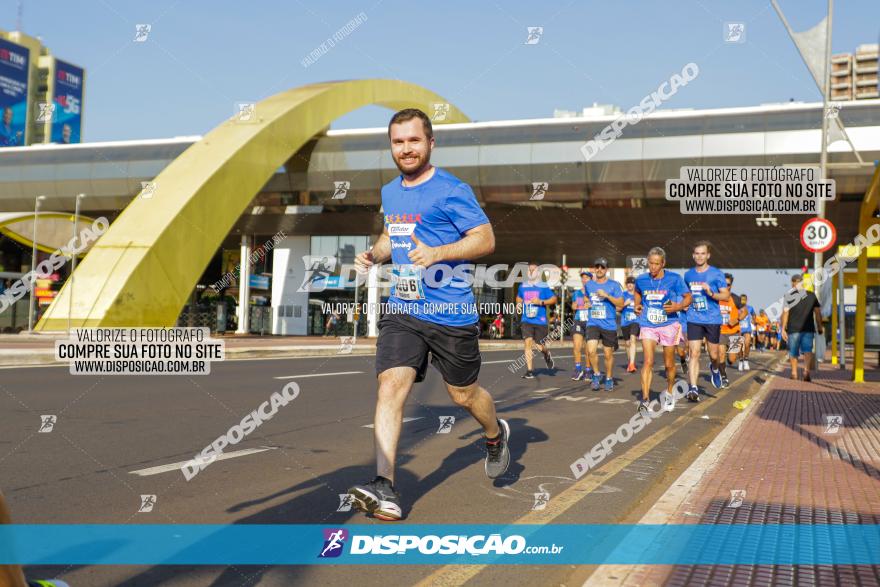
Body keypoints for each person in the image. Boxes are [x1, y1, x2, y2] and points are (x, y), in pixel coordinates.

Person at [347, 109, 510, 521]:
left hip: (451, 314)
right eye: (398, 142)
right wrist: (375, 254)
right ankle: (384, 485)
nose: (406, 149)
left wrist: (438, 252)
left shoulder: (452, 189)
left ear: (430, 143)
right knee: (390, 386)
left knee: (464, 395)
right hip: (404, 307)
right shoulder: (390, 191)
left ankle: (495, 435)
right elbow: (392, 235)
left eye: (413, 141)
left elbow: (486, 239)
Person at [633, 247, 691, 413]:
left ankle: (670, 392)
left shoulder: (674, 279)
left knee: (669, 364)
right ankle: (645, 399)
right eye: (650, 263)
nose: (653, 267)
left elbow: (688, 297)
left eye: (656, 264)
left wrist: (677, 306)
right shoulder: (642, 279)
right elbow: (637, 292)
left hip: (669, 323)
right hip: (648, 323)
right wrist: (637, 305)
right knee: (648, 361)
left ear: (663, 263)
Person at [683, 241, 729, 401]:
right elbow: (687, 295)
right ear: (693, 255)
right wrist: (682, 305)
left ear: (708, 255)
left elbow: (726, 295)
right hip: (694, 317)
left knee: (714, 354)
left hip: (712, 318)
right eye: (697, 253)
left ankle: (714, 369)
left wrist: (711, 294)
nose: (700, 256)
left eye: (703, 253)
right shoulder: (688, 275)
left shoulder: (716, 274)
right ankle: (693, 388)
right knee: (693, 353)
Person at [584, 258, 624, 391]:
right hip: (593, 322)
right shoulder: (589, 285)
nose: (599, 269)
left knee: (608, 354)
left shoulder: (614, 285)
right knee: (591, 351)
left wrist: (607, 296)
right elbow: (586, 298)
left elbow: (621, 303)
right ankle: (596, 374)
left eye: (602, 267)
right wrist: (587, 303)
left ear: (606, 270)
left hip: (608, 324)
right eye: (597, 267)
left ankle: (608, 378)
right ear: (594, 269)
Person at [516, 261, 556, 379]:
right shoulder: (522, 286)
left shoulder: (543, 286)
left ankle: (547, 353)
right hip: (526, 319)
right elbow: (519, 297)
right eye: (529, 270)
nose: (531, 271)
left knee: (539, 346)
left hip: (540, 320)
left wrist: (541, 302)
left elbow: (553, 299)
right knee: (528, 343)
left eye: (534, 270)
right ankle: (529, 371)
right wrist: (518, 304)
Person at [781, 274, 823, 381]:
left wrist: (782, 329)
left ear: (793, 283)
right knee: (807, 351)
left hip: (793, 329)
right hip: (808, 329)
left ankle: (794, 373)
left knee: (793, 352)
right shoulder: (812, 295)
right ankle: (806, 371)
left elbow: (785, 313)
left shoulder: (789, 296)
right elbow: (818, 313)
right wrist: (819, 327)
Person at [570, 270, 592, 380]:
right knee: (577, 346)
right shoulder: (577, 293)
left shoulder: (594, 293)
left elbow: (592, 305)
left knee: (588, 349)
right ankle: (578, 369)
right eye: (583, 278)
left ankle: (588, 370)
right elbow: (574, 306)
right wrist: (584, 304)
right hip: (579, 320)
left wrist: (585, 303)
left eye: (586, 278)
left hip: (590, 322)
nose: (584, 280)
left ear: (591, 280)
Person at [718, 295, 740, 388]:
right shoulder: (716, 297)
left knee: (732, 359)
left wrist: (736, 320)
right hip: (720, 331)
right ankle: (723, 376)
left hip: (734, 332)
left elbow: (745, 312)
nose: (726, 286)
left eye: (728, 284)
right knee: (721, 354)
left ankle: (728, 360)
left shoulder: (735, 298)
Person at [621, 276, 640, 373]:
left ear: (634, 285)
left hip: (635, 321)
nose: (629, 285)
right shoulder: (623, 295)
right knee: (627, 344)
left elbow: (643, 307)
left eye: (631, 283)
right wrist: (625, 304)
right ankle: (630, 362)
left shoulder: (638, 296)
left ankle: (632, 364)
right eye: (628, 283)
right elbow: (617, 308)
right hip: (625, 322)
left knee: (633, 339)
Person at [738, 294, 755, 370]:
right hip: (738, 329)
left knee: (747, 344)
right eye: (742, 299)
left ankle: (746, 360)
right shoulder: (736, 307)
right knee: (739, 346)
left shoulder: (750, 308)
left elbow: (754, 314)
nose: (743, 301)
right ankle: (741, 361)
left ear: (746, 300)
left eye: (744, 299)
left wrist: (753, 320)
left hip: (747, 329)